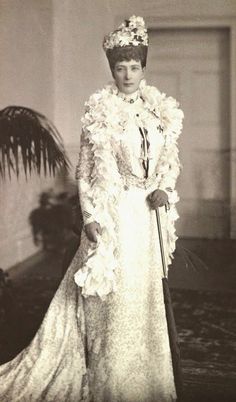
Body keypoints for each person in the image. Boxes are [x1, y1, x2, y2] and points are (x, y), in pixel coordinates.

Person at [0, 15, 183, 402]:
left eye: (134, 67)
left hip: (147, 219)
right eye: (120, 67)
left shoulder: (159, 112)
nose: (128, 74)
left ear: (143, 68)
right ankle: (113, 383)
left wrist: (164, 189)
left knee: (145, 299)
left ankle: (149, 381)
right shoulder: (98, 113)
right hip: (114, 214)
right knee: (115, 301)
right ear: (112, 70)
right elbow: (84, 173)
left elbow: (169, 163)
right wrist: (92, 218)